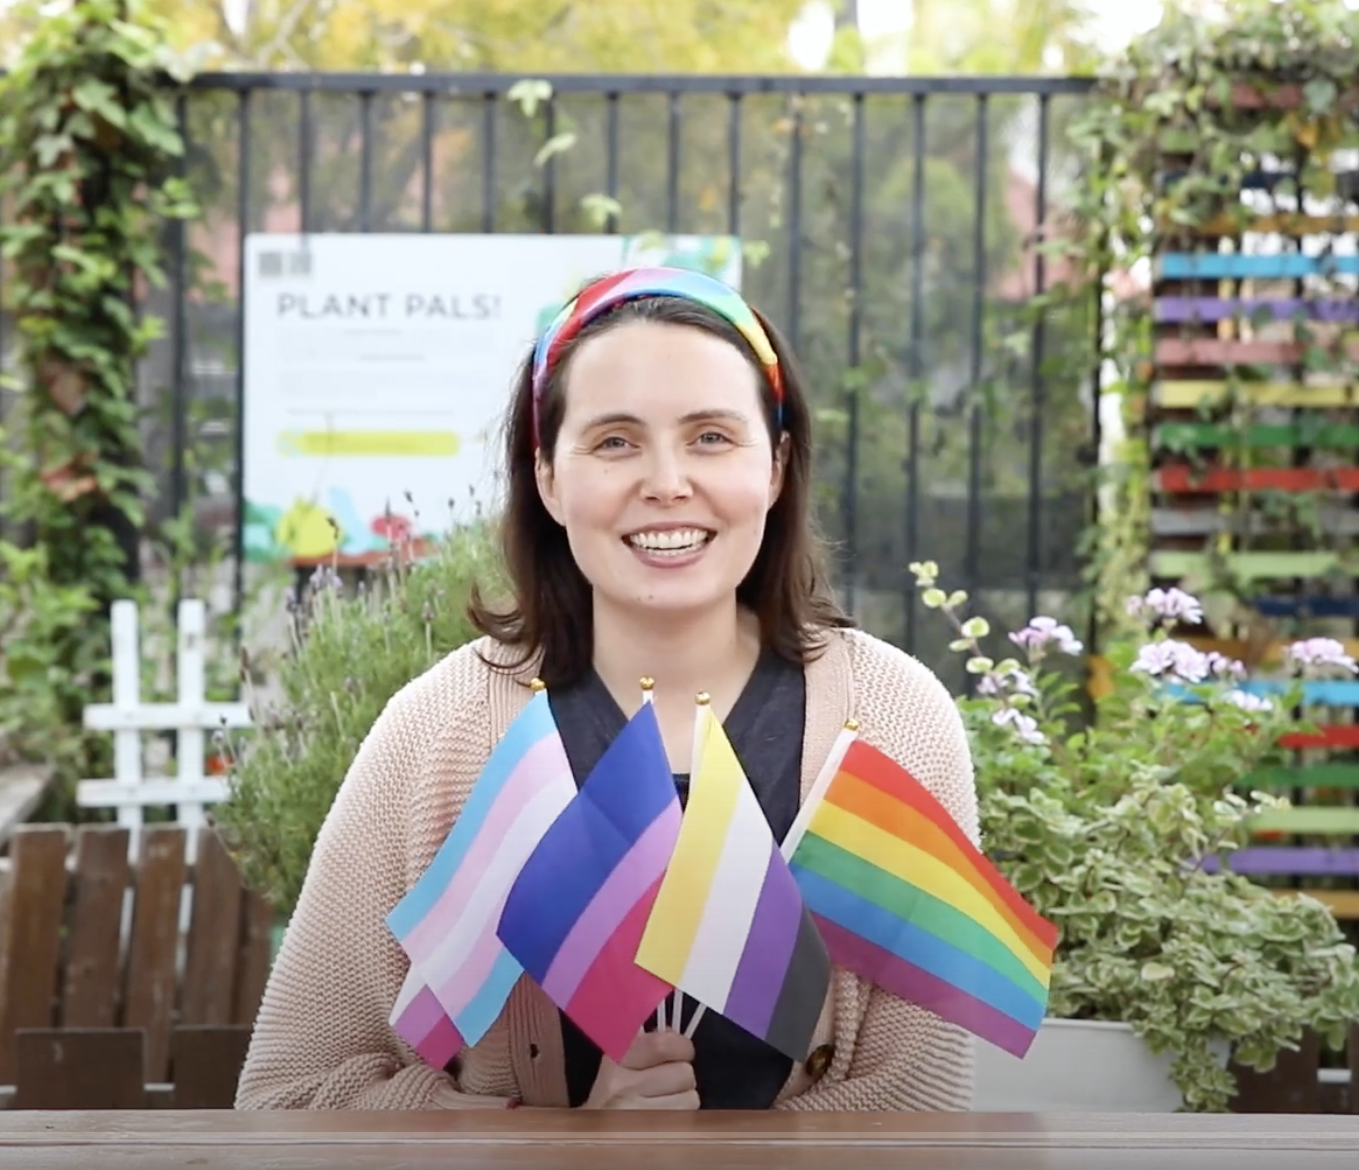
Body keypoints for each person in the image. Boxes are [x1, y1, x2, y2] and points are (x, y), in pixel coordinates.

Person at [236, 266, 979, 1112]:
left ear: (774, 467)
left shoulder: (891, 721)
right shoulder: (441, 730)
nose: (666, 481)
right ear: (548, 475)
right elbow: (290, 1092)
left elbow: (922, 1098)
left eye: (710, 437)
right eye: (616, 441)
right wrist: (560, 1145)